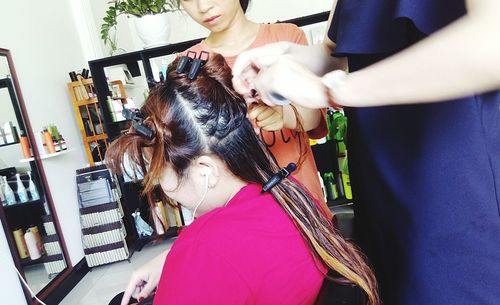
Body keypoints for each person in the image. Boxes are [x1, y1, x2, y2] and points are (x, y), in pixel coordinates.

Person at [231, 1, 500, 305]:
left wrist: (331, 91)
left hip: (452, 185)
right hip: (382, 189)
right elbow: (335, 55)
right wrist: (278, 57)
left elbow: (492, 44)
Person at [107, 54, 379, 305]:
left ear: (205, 169)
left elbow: (221, 257)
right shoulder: (290, 194)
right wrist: (171, 261)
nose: (161, 186)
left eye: (160, 173)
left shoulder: (204, 247)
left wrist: (184, 261)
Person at [180, 0, 331, 215]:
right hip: (243, 218)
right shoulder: (189, 64)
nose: (203, 7)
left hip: (306, 209)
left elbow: (314, 119)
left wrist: (284, 116)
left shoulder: (286, 38)